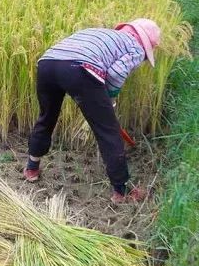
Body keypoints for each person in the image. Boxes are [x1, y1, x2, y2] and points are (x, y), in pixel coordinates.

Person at [23, 18, 161, 204]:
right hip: (79, 68)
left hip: (47, 63)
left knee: (47, 117)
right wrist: (109, 98)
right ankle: (122, 190)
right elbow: (116, 73)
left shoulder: (103, 33)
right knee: (107, 131)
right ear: (146, 44)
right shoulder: (136, 47)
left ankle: (32, 168)